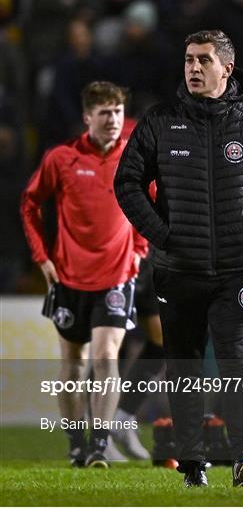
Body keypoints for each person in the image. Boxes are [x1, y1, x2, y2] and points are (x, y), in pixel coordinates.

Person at [114, 29, 243, 487]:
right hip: (179, 268)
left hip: (239, 266)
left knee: (237, 360)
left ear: (227, 68)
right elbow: (127, 183)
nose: (193, 68)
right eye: (189, 60)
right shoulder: (162, 120)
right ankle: (193, 464)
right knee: (184, 364)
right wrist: (162, 234)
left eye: (203, 60)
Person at [21, 81, 148, 468]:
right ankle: (77, 443)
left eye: (118, 112)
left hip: (116, 275)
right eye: (105, 113)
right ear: (87, 117)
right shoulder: (62, 159)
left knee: (107, 356)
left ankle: (99, 443)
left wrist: (140, 249)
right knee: (73, 365)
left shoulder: (135, 157)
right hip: (69, 277)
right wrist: (42, 256)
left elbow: (152, 202)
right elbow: (30, 204)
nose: (113, 120)